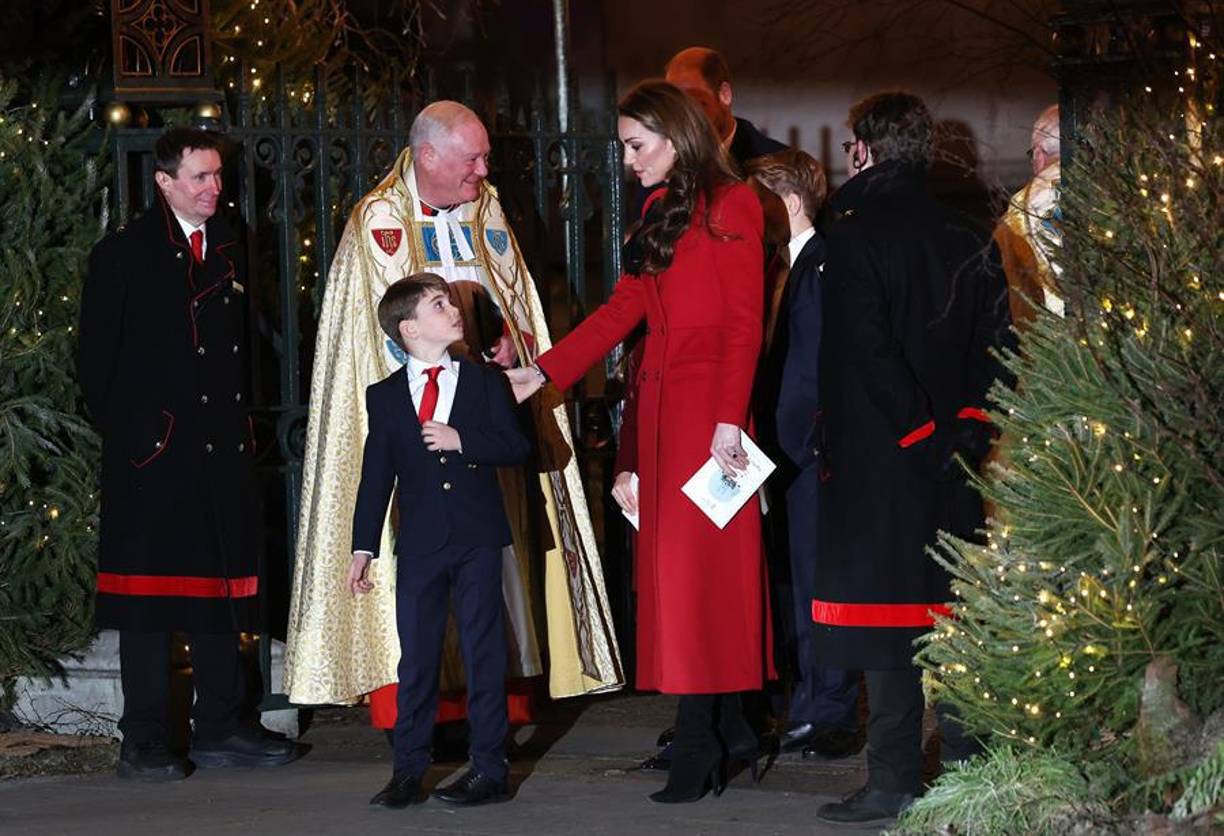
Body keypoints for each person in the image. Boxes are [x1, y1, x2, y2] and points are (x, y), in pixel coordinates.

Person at [284, 102, 623, 735]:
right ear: (428, 156)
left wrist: (511, 342)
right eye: (472, 158)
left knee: (492, 572)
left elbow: (520, 303)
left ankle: (500, 713)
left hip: (483, 422)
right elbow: (368, 337)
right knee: (419, 584)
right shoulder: (377, 220)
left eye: (485, 157)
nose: (483, 170)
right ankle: (419, 721)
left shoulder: (487, 207)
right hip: (419, 428)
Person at [508, 79, 772, 804]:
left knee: (701, 586)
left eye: (636, 144)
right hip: (661, 416)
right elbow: (625, 309)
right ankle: (726, 733)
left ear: (676, 134)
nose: (628, 160)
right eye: (624, 146)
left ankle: (703, 743)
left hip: (708, 420)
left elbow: (744, 323)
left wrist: (728, 416)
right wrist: (544, 372)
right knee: (680, 586)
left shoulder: (736, 202)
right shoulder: (662, 208)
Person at [812, 92, 1014, 824]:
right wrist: (964, 431)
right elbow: (999, 349)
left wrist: (914, 434)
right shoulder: (969, 233)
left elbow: (864, 350)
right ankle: (967, 771)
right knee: (949, 615)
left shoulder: (856, 232)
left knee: (886, 626)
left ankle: (894, 777)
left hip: (882, 460)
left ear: (862, 148)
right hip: (955, 458)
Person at [77, 128, 302, 780]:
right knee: (147, 603)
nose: (214, 190)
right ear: (165, 180)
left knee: (221, 594)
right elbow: (96, 363)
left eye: (217, 177)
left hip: (220, 451)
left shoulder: (230, 245)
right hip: (155, 456)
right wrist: (140, 436)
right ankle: (143, 739)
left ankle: (222, 727)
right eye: (200, 178)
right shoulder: (124, 254)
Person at [350, 273, 530, 808]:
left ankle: (489, 769)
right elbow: (375, 474)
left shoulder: (483, 383)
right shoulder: (383, 396)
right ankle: (408, 770)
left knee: (483, 651)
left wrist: (462, 440)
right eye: (438, 304)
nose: (452, 309)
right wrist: (364, 547)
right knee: (418, 657)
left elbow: (515, 447)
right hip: (422, 543)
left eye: (450, 302)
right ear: (409, 328)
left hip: (477, 536)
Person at [749, 149, 863, 761]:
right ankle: (804, 705)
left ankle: (831, 713)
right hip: (775, 450)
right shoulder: (777, 266)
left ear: (788, 202)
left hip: (811, 450)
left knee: (822, 583)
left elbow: (821, 364)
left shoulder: (823, 262)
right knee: (792, 584)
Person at [993, 104, 1063, 328]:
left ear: (1039, 152)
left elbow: (1012, 290)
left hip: (1056, 349)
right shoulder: (1112, 192)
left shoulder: (1020, 209)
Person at [665, 46, 786, 173]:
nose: (682, 114)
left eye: (694, 102)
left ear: (725, 94)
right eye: (673, 104)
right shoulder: (657, 170)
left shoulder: (780, 167)